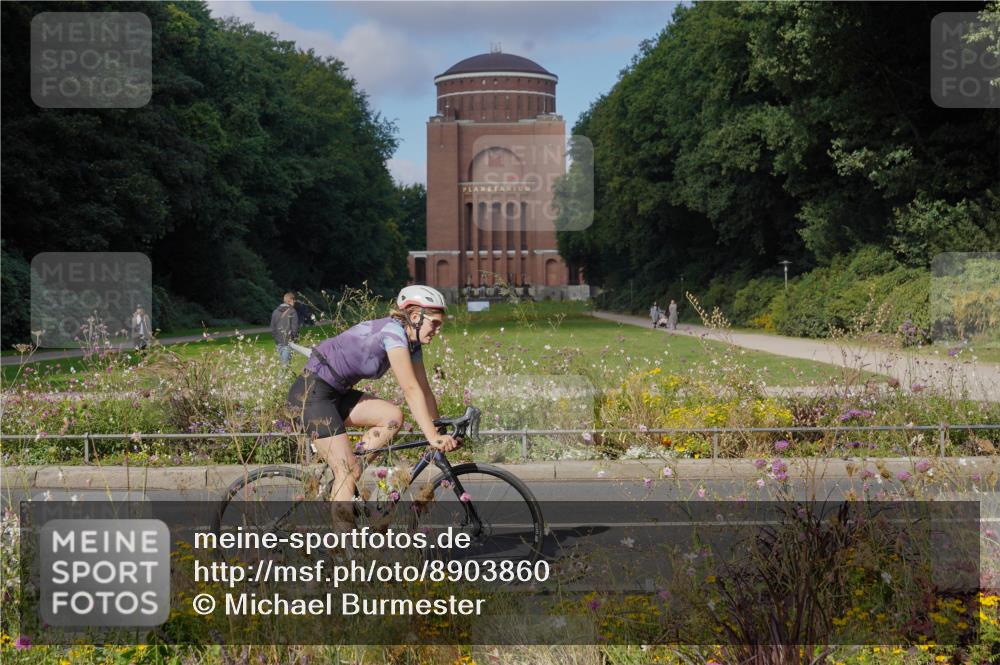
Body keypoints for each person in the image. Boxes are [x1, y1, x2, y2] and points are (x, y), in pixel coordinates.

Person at [286, 285, 459, 503]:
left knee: (392, 418)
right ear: (415, 316)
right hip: (310, 395)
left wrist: (438, 428)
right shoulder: (393, 333)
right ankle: (342, 528)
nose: (437, 329)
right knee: (348, 472)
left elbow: (424, 390)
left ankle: (345, 481)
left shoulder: (411, 344)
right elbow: (411, 390)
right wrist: (432, 437)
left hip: (336, 394)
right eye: (434, 323)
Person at [270, 292, 300, 367]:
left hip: (278, 343)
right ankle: (281, 379)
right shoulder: (292, 311)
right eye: (294, 300)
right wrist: (293, 339)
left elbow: (272, 329)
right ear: (290, 300)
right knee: (285, 367)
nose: (295, 302)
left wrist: (277, 339)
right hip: (288, 343)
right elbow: (295, 328)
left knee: (283, 365)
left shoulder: (275, 311)